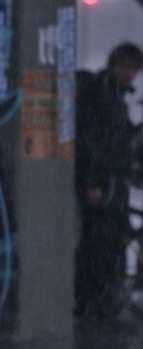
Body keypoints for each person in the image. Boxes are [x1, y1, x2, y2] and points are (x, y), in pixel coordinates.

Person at [75, 42, 143, 324]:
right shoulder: (101, 93)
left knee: (110, 243)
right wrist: (92, 181)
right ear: (113, 64)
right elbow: (92, 140)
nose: (129, 73)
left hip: (111, 183)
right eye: (124, 66)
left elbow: (117, 140)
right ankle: (96, 305)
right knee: (101, 245)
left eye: (134, 69)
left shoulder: (113, 94)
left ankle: (101, 304)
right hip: (104, 183)